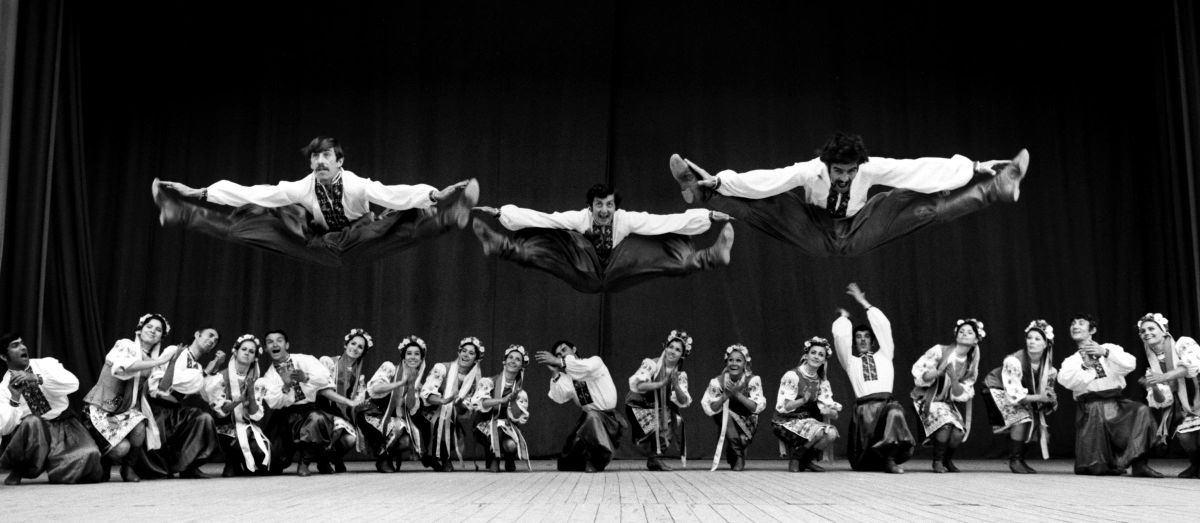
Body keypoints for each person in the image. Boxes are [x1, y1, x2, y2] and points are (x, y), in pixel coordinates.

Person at [668, 133, 1029, 256]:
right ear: (826, 165)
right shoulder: (808, 170)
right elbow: (765, 180)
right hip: (812, 229)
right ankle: (701, 191)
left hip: (859, 229)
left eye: (849, 172)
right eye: (838, 171)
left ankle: (995, 189)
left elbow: (916, 168)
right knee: (768, 204)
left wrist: (974, 167)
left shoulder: (869, 168)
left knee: (913, 202)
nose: (843, 178)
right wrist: (718, 182)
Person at [152, 136, 479, 266]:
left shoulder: (356, 184)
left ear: (340, 162)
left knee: (401, 227)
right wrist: (202, 193)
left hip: (357, 239)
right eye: (315, 159)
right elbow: (256, 192)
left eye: (327, 158)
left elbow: (391, 193)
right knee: (248, 227)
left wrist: (436, 195)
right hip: (318, 244)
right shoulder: (301, 188)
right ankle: (181, 213)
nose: (320, 163)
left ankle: (451, 217)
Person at [471, 183, 734, 293]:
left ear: (615, 207)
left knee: (657, 243)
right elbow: (543, 218)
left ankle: (709, 257)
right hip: (583, 273)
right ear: (590, 206)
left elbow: (665, 221)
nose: (604, 211)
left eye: (609, 205)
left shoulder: (626, 219)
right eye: (599, 205)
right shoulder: (579, 218)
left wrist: (708, 216)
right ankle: (503, 247)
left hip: (618, 271)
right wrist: (500, 213)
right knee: (558, 240)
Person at [1057, 314, 1162, 477]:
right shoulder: (1071, 361)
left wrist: (1105, 352)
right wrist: (1085, 366)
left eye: (1080, 323)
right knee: (1096, 468)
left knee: (1141, 411)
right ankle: (1110, 462)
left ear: (1092, 330)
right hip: (1091, 408)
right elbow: (1065, 380)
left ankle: (1139, 464)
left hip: (1116, 403)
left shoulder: (1110, 348)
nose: (1075, 326)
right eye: (1073, 324)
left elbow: (1129, 364)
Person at [831, 283, 914, 474]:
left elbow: (884, 326)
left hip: (886, 405)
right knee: (863, 463)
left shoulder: (885, 354)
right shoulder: (850, 362)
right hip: (865, 411)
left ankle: (891, 460)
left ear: (873, 341)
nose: (862, 340)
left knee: (896, 413)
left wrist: (863, 302)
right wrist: (844, 318)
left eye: (866, 336)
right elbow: (841, 338)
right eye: (858, 337)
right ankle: (880, 459)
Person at [0, 333, 105, 485]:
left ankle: (57, 467)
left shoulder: (47, 364)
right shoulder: (4, 388)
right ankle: (20, 469)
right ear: (4, 357)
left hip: (64, 425)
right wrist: (15, 398)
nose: (23, 347)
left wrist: (37, 378)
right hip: (34, 434)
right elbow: (5, 428)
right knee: (32, 422)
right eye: (15, 346)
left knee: (90, 455)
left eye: (22, 343)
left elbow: (73, 384)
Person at [81, 313, 174, 482]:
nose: (153, 331)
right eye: (149, 327)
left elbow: (153, 389)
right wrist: (158, 362)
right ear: (140, 328)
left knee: (140, 424)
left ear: (161, 336)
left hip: (124, 410)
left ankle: (128, 468)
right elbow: (123, 367)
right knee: (121, 448)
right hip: (101, 408)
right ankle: (105, 463)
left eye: (158, 330)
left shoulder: (155, 361)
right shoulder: (125, 345)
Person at [257, 329, 360, 476]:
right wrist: (286, 386)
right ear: (266, 349)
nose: (275, 344)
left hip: (309, 410)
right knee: (272, 465)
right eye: (270, 342)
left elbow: (324, 380)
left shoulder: (305, 360)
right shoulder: (269, 376)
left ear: (287, 345)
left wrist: (305, 377)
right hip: (285, 416)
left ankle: (306, 462)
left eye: (279, 340)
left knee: (317, 420)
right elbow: (274, 403)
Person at [536, 340, 625, 472]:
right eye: (558, 355)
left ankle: (597, 459)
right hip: (588, 421)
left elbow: (585, 369)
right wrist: (555, 373)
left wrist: (559, 362)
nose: (562, 355)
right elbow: (560, 396)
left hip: (608, 420)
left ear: (574, 349)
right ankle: (587, 458)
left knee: (592, 417)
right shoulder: (570, 378)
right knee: (565, 462)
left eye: (564, 350)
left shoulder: (595, 362)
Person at [982, 319, 1058, 474]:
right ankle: (1014, 460)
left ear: (1046, 344)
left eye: (1037, 339)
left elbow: (1046, 394)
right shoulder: (1013, 361)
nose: (1031, 342)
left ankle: (1020, 459)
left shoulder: (1050, 370)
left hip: (1022, 395)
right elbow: (1014, 395)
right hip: (996, 388)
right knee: (1021, 418)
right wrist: (1040, 398)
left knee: (1029, 418)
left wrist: (1050, 399)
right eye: (1029, 338)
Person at [145, 325, 221, 479]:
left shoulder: (198, 367)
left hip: (174, 409)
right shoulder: (174, 351)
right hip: (157, 408)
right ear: (197, 334)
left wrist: (209, 372)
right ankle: (162, 466)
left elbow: (201, 392)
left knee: (203, 418)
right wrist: (201, 373)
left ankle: (189, 466)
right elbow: (161, 387)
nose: (212, 340)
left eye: (215, 340)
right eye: (210, 335)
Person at [911, 318, 983, 473]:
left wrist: (955, 379)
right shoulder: (939, 351)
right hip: (927, 399)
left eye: (970, 332)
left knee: (958, 433)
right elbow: (920, 374)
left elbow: (960, 393)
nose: (964, 334)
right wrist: (938, 372)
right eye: (961, 331)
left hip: (946, 402)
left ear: (976, 340)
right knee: (947, 425)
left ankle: (946, 460)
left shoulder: (970, 363)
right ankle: (937, 462)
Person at [1135, 313, 1199, 478]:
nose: (1146, 333)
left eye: (1151, 328)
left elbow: (1190, 367)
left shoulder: (1182, 344)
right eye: (1143, 331)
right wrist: (1154, 387)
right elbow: (1162, 401)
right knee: (1185, 438)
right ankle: (1197, 465)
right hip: (1186, 403)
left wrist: (1163, 377)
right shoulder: (1153, 364)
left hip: (1197, 394)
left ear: (1164, 331)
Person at [204, 334, 270, 477]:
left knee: (261, 455)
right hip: (224, 428)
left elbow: (255, 415)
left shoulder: (257, 381)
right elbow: (220, 411)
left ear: (255, 358)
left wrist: (251, 394)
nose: (247, 353)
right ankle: (232, 462)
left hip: (248, 427)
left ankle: (241, 464)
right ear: (236, 351)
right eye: (244, 349)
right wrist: (238, 401)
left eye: (251, 351)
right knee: (241, 436)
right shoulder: (221, 377)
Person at [626, 330, 693, 471]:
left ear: (682, 355)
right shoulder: (652, 364)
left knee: (674, 418)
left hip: (661, 409)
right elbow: (638, 385)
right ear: (665, 347)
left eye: (678, 350)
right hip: (639, 405)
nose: (673, 351)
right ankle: (654, 457)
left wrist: (675, 385)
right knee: (666, 417)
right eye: (671, 347)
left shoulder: (679, 375)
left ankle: (654, 458)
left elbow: (683, 400)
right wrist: (660, 384)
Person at [774, 337, 842, 472]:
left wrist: (830, 411)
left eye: (821, 354)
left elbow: (834, 414)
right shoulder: (792, 376)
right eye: (814, 353)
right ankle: (796, 459)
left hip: (806, 422)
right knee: (817, 431)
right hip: (784, 421)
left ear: (824, 360)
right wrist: (802, 400)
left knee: (831, 433)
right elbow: (783, 407)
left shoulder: (822, 382)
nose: (816, 357)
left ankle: (805, 461)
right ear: (806, 355)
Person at [365, 335, 432, 473]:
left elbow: (410, 407)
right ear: (403, 355)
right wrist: (401, 383)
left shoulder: (417, 380)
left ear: (421, 358)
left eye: (417, 354)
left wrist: (412, 385)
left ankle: (385, 456)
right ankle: (383, 457)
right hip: (373, 413)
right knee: (399, 425)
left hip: (393, 418)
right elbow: (375, 389)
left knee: (408, 440)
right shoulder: (390, 368)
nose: (413, 357)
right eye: (409, 353)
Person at [419, 337, 485, 471]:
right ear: (459, 352)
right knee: (444, 419)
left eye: (471, 353)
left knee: (458, 435)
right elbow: (426, 393)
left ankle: (436, 456)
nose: (466, 355)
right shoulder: (442, 368)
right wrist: (443, 401)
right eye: (464, 351)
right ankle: (443, 458)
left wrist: (459, 404)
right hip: (428, 412)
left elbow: (466, 410)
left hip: (452, 415)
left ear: (476, 359)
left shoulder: (473, 380)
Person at [317, 328, 375, 473]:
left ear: (363, 352)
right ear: (345, 345)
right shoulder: (329, 363)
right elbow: (322, 390)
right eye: (353, 343)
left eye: (360, 347)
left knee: (351, 439)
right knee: (338, 429)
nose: (355, 348)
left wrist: (360, 406)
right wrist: (349, 402)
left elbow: (356, 401)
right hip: (322, 407)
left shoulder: (358, 377)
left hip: (340, 413)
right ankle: (322, 460)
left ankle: (336, 457)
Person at [700, 344, 765, 471]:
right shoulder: (717, 381)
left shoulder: (752, 380)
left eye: (738, 360)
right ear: (726, 362)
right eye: (731, 360)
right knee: (725, 413)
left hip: (747, 417)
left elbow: (754, 407)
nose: (734, 363)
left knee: (743, 440)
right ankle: (738, 456)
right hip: (725, 417)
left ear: (745, 364)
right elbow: (712, 408)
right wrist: (725, 396)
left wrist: (736, 394)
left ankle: (734, 450)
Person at [468, 344, 532, 472]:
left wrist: (515, 409)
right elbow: (482, 404)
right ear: (505, 361)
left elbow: (517, 418)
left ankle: (509, 458)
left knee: (511, 445)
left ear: (522, 366)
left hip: (506, 426)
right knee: (497, 427)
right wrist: (501, 400)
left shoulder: (519, 392)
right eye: (510, 357)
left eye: (517, 359)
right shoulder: (489, 382)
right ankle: (494, 458)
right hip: (485, 424)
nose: (513, 361)